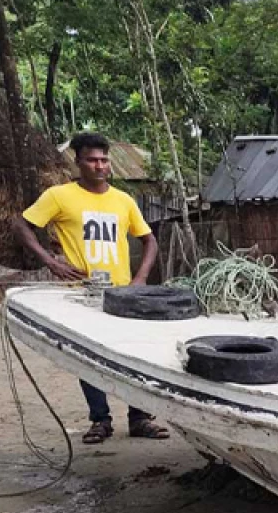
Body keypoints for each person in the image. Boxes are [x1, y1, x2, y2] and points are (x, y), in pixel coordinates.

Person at [13, 132, 171, 444]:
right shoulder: (59, 196)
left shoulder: (123, 200)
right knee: (88, 357)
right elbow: (21, 224)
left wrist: (140, 279)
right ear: (79, 162)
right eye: (92, 160)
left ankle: (140, 418)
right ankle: (100, 420)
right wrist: (51, 261)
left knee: (133, 355)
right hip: (81, 294)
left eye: (103, 160)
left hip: (123, 294)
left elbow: (149, 239)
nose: (99, 166)